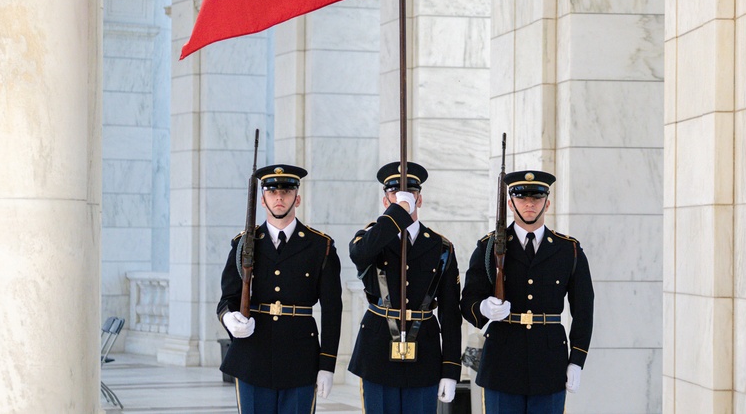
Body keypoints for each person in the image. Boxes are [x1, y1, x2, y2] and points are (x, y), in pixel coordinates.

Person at [460, 169, 594, 413]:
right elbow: (468, 299)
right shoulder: (489, 247)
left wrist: (577, 359)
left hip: (549, 364)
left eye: (537, 198)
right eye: (522, 198)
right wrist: (483, 308)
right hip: (501, 364)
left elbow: (584, 310)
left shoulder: (568, 250)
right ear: (510, 203)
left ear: (548, 203)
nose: (530, 203)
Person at [217, 164, 343, 413]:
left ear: (297, 198)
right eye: (272, 191)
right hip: (252, 357)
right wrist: (229, 319)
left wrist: (327, 365)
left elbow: (332, 309)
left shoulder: (321, 246)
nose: (279, 197)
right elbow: (227, 299)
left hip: (300, 359)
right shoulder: (244, 243)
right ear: (262, 199)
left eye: (286, 191)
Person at [348, 161, 462, 412]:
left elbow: (451, 313)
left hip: (425, 352)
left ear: (419, 199)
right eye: (395, 194)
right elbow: (360, 254)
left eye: (410, 193)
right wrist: (398, 213)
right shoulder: (370, 238)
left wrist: (451, 369)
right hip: (377, 352)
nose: (404, 198)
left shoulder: (441, 247)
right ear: (385, 200)